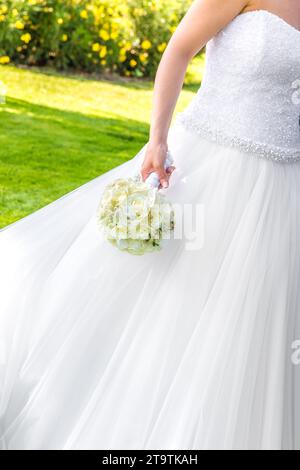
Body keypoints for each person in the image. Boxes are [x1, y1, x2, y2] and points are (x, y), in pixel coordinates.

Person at [0, 0, 300, 450]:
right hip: (213, 166)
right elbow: (178, 50)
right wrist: (157, 140)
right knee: (179, 302)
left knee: (259, 322)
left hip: (284, 186)